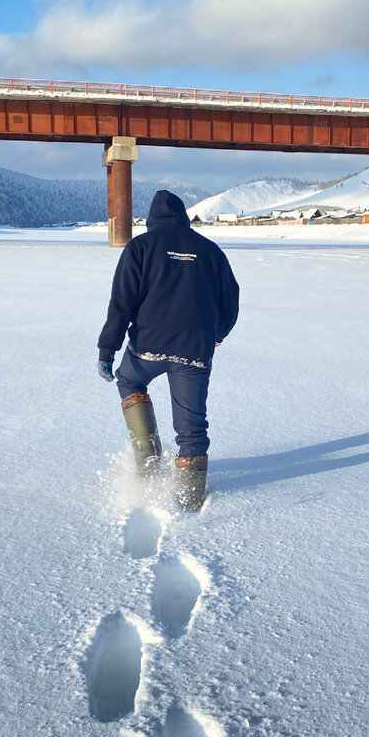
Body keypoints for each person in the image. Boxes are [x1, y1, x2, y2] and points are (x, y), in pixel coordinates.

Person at [97, 190, 240, 510]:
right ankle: (190, 500)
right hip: (194, 352)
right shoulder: (210, 250)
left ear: (152, 221)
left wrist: (108, 351)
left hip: (148, 348)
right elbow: (230, 301)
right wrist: (217, 335)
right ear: (183, 219)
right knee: (192, 427)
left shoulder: (140, 247)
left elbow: (121, 304)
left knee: (129, 381)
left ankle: (148, 463)